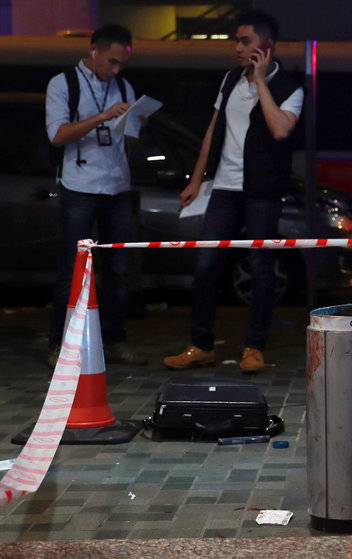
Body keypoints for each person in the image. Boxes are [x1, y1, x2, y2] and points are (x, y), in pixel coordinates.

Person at [163, 10, 303, 373]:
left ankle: (254, 347)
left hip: (262, 192)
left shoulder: (291, 87)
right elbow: (213, 130)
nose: (236, 48)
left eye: (245, 42)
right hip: (223, 188)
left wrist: (260, 82)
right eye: (236, 41)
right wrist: (196, 179)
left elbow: (280, 130)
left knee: (261, 268)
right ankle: (201, 344)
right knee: (206, 266)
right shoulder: (229, 80)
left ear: (266, 47)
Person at [45, 24, 147, 368]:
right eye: (112, 62)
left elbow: (132, 140)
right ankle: (59, 343)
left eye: (122, 64)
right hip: (79, 186)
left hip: (117, 185)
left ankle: (116, 340)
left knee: (118, 271)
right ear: (93, 51)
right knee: (73, 269)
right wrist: (102, 116)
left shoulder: (124, 86)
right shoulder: (64, 84)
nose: (116, 70)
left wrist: (136, 122)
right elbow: (57, 135)